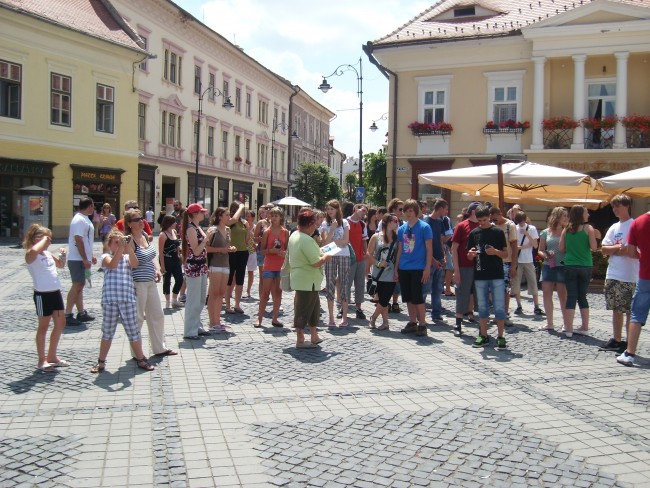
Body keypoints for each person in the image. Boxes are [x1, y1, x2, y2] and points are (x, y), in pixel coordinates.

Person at [91, 229, 154, 373]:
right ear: (110, 245)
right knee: (107, 332)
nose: (119, 244)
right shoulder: (106, 257)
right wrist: (121, 247)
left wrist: (129, 247)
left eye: (120, 242)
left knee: (133, 331)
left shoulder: (126, 257)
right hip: (110, 300)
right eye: (116, 242)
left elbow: (135, 264)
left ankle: (140, 358)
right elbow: (112, 265)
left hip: (127, 299)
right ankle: (101, 362)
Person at [124, 209, 176, 358]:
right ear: (129, 224)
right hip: (137, 283)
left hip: (150, 282)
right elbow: (133, 264)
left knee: (157, 315)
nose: (141, 221)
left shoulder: (145, 235)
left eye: (141, 218)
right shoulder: (129, 240)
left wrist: (157, 269)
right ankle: (136, 353)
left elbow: (151, 256)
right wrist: (127, 248)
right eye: (136, 220)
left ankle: (159, 347)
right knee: (138, 318)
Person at [24, 224, 69, 371]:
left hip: (55, 292)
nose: (49, 241)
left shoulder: (47, 253)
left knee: (60, 323)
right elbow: (32, 251)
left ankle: (52, 356)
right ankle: (41, 360)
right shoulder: (31, 254)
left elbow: (60, 264)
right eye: (47, 239)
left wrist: (63, 255)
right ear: (36, 239)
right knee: (43, 327)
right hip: (42, 295)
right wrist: (43, 240)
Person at [466, 205, 509, 349]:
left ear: (489, 217)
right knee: (482, 306)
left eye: (484, 220)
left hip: (496, 274)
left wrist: (495, 252)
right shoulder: (474, 233)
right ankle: (483, 335)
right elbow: (469, 254)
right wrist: (470, 255)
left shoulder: (497, 232)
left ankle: (501, 336)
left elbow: (506, 254)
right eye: (479, 221)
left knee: (499, 306)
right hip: (480, 274)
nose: (482, 223)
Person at [600, 195, 639, 352]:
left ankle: (629, 342)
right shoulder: (614, 227)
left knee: (629, 310)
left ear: (627, 206)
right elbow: (603, 249)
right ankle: (617, 339)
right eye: (613, 207)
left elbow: (631, 251)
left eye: (618, 206)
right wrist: (618, 248)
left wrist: (615, 249)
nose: (615, 209)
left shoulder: (634, 225)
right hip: (613, 273)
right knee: (615, 309)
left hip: (629, 275)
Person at [288, 209, 332, 348]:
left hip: (308, 281)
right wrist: (326, 257)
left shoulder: (295, 234)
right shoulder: (306, 239)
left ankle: (314, 336)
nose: (316, 226)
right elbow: (316, 262)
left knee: (314, 309)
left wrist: (321, 253)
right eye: (314, 223)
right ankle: (300, 339)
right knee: (303, 311)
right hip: (306, 280)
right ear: (308, 224)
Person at [616, 208, 650, 366]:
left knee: (637, 315)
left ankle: (629, 353)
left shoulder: (638, 222)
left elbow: (631, 252)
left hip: (645, 275)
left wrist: (643, 257)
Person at [394, 199, 432, 337]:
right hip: (404, 267)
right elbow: (399, 249)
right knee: (408, 297)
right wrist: (396, 268)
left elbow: (429, 248)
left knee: (417, 298)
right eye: (406, 211)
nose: (408, 213)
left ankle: (422, 324)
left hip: (418, 267)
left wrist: (427, 268)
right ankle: (412, 322)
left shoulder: (424, 227)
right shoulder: (402, 229)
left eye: (411, 211)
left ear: (416, 212)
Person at [559, 205, 597, 337]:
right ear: (581, 214)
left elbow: (561, 248)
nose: (588, 215)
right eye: (586, 212)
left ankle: (569, 329)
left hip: (570, 265)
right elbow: (594, 247)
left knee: (571, 296)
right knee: (582, 296)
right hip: (585, 265)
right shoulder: (588, 228)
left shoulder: (566, 229)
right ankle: (584, 327)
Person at [65, 197, 97, 326]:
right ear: (90, 206)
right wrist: (84, 258)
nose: (93, 208)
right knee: (77, 284)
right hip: (77, 259)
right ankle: (67, 314)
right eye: (93, 206)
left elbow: (86, 240)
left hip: (82, 258)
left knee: (80, 285)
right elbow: (78, 240)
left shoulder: (84, 219)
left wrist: (90, 255)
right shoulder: (79, 220)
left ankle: (81, 312)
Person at [256, 207, 289, 328]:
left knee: (278, 293)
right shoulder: (267, 232)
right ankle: (259, 318)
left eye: (276, 216)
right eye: (272, 215)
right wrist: (271, 251)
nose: (274, 218)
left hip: (280, 266)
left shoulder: (285, 232)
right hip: (269, 265)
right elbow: (262, 251)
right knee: (265, 293)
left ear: (281, 217)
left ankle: (275, 318)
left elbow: (287, 248)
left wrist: (284, 253)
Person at [451, 201, 480, 336]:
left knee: (480, 295)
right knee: (462, 293)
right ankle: (458, 323)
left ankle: (481, 324)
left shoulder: (484, 225)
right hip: (464, 266)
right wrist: (456, 270)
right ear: (474, 212)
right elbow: (454, 248)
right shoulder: (462, 226)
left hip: (480, 267)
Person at [181, 203, 210, 340]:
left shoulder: (197, 227)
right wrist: (205, 240)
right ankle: (190, 331)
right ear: (194, 214)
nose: (203, 214)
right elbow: (196, 251)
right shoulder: (191, 229)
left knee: (201, 299)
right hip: (194, 267)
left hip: (201, 266)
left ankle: (197, 326)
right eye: (201, 212)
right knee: (193, 300)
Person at [320, 200, 350, 327]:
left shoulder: (345, 222)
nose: (330, 211)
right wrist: (332, 229)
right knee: (330, 283)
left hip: (344, 255)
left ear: (337, 209)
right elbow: (325, 243)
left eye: (332, 208)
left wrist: (333, 241)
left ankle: (344, 317)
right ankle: (331, 317)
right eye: (328, 209)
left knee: (344, 284)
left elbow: (346, 241)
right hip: (330, 255)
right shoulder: (324, 224)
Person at [538, 207, 569, 331]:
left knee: (562, 295)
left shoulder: (567, 231)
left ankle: (566, 323)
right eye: (564, 215)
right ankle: (549, 322)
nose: (566, 218)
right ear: (557, 216)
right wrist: (546, 255)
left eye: (567, 215)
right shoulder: (545, 232)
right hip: (548, 265)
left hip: (562, 265)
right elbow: (540, 250)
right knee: (546, 293)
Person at [205, 207, 236, 331]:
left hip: (225, 264)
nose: (229, 217)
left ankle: (217, 321)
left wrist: (231, 248)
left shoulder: (228, 230)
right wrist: (220, 250)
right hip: (215, 264)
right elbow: (206, 248)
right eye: (226, 215)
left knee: (221, 293)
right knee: (214, 293)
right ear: (219, 217)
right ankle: (212, 322)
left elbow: (227, 245)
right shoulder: (213, 230)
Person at [366, 213, 399, 331]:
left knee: (385, 299)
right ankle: (385, 322)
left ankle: (373, 318)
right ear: (387, 222)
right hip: (378, 272)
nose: (397, 223)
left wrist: (397, 271)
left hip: (391, 273)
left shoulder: (397, 238)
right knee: (382, 300)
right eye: (394, 221)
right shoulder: (376, 236)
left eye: (397, 221)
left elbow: (398, 256)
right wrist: (378, 263)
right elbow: (368, 254)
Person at [489, 207, 518, 325]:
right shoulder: (491, 225)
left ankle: (504, 314)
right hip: (493, 261)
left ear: (500, 214)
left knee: (505, 289)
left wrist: (514, 265)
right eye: (492, 220)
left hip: (506, 261)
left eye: (495, 219)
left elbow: (514, 247)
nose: (494, 222)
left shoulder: (510, 226)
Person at [511, 211, 544, 316]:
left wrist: (527, 234)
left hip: (528, 259)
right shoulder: (514, 228)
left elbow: (535, 245)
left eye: (522, 222)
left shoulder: (532, 228)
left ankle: (536, 306)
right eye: (519, 222)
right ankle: (519, 305)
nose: (520, 224)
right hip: (517, 260)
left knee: (533, 282)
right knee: (516, 283)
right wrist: (524, 246)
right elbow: (513, 245)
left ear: (525, 220)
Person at [423, 199, 449, 323]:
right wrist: (432, 260)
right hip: (429, 260)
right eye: (446, 209)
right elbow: (425, 245)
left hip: (439, 258)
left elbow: (440, 239)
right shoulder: (426, 222)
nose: (447, 212)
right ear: (440, 208)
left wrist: (443, 255)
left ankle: (436, 314)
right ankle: (420, 314)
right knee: (425, 288)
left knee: (438, 289)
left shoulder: (440, 221)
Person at [225, 201, 249, 314]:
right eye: (239, 209)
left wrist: (247, 228)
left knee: (240, 279)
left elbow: (246, 240)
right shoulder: (229, 221)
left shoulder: (242, 222)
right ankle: (227, 305)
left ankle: (237, 304)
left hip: (243, 252)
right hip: (231, 252)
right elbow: (233, 219)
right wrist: (241, 207)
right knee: (229, 279)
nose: (241, 211)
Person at [346, 204, 369, 320]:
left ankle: (358, 308)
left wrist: (366, 254)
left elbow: (364, 240)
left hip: (360, 258)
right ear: (355, 209)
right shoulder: (345, 222)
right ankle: (343, 308)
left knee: (360, 284)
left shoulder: (362, 224)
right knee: (347, 283)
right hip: (348, 258)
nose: (364, 213)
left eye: (365, 212)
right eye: (363, 210)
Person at [158, 215, 184, 308]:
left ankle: (174, 299)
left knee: (180, 279)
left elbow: (176, 246)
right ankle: (168, 301)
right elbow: (161, 252)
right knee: (167, 280)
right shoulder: (163, 235)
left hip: (176, 259)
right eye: (174, 222)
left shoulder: (174, 232)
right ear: (169, 223)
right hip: (166, 260)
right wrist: (162, 266)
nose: (176, 223)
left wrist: (179, 252)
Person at [253, 207, 270, 297]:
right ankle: (262, 297)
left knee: (273, 276)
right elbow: (254, 238)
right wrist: (262, 239)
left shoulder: (277, 223)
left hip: (273, 252)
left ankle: (271, 296)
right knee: (263, 276)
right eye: (268, 211)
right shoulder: (261, 223)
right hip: (262, 251)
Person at [244, 210, 257, 299]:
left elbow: (257, 238)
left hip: (252, 251)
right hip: (243, 250)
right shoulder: (243, 226)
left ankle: (248, 290)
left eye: (249, 216)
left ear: (253, 218)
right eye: (246, 216)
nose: (247, 218)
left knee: (250, 271)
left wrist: (256, 244)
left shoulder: (255, 227)